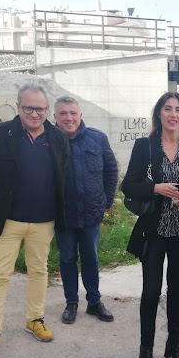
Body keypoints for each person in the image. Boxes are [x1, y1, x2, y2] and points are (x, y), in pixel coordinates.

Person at [0, 82, 69, 358]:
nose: (35, 114)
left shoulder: (58, 137)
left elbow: (62, 173)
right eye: (29, 108)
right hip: (9, 220)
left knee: (39, 271)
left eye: (40, 108)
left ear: (47, 109)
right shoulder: (1, 134)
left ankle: (35, 318)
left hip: (44, 221)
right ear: (18, 107)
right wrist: (1, 196)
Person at [120, 92, 179, 358]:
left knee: (177, 290)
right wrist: (156, 188)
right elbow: (128, 185)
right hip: (153, 232)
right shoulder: (144, 146)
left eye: (178, 110)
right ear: (159, 114)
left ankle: (175, 344)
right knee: (151, 292)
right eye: (167, 109)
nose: (173, 114)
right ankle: (146, 349)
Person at [53, 96, 118, 325]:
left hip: (92, 213)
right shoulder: (49, 141)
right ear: (55, 117)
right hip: (63, 215)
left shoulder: (97, 139)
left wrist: (107, 201)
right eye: (63, 113)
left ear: (80, 115)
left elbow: (111, 170)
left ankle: (94, 302)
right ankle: (71, 302)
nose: (68, 118)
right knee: (68, 257)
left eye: (72, 112)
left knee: (90, 258)